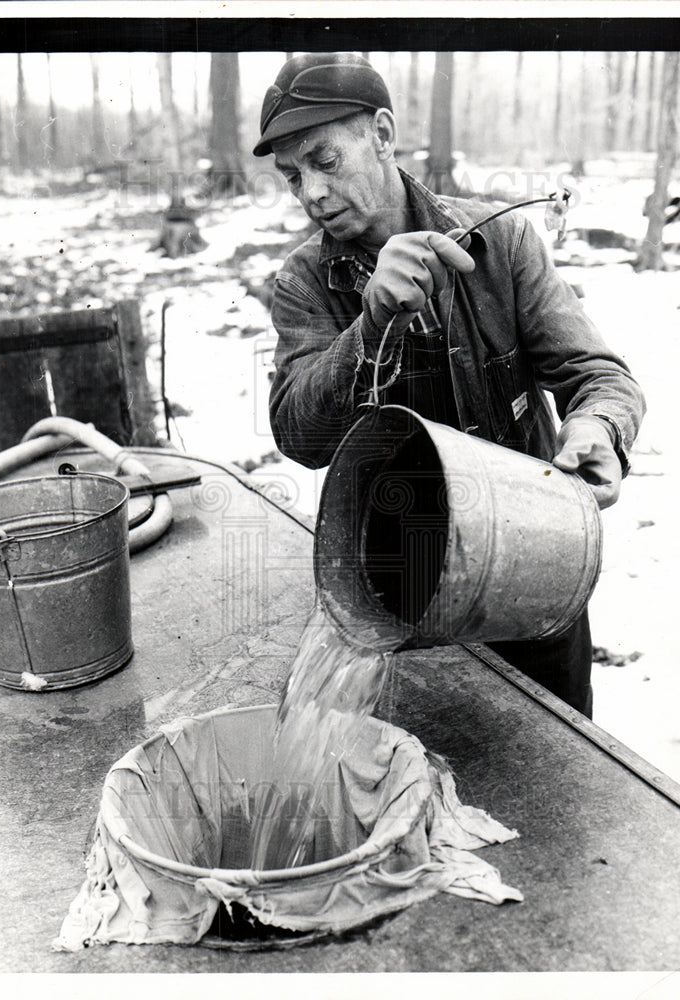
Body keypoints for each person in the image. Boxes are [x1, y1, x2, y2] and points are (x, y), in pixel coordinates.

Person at [253, 53, 646, 718]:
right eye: (292, 177)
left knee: (563, 776)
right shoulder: (304, 283)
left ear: (381, 133)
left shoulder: (501, 243)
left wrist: (596, 427)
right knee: (422, 785)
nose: (312, 192)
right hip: (400, 594)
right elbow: (299, 434)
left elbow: (599, 377)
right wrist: (372, 324)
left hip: (533, 567)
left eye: (325, 159)